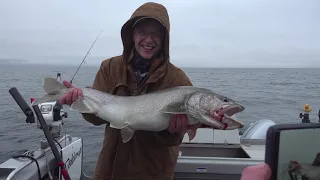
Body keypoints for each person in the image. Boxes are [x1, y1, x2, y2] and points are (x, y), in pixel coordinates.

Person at [59, 2, 203, 180]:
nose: (148, 40)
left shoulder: (177, 79)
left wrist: (173, 131)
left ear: (164, 38)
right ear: (132, 35)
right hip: (108, 171)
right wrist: (79, 100)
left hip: (152, 173)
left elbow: (173, 141)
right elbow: (95, 118)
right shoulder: (110, 68)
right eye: (142, 32)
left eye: (155, 34)